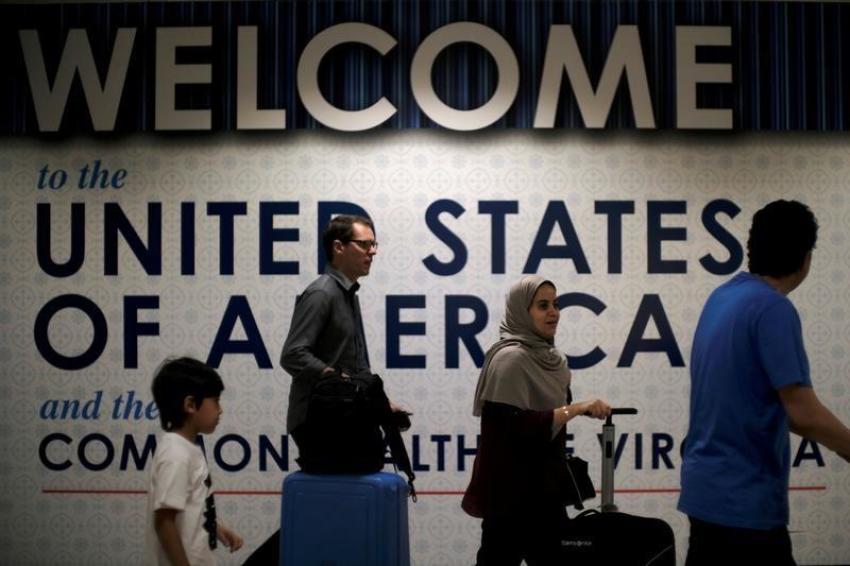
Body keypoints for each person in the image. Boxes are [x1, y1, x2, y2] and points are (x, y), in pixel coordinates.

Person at [679, 200, 850, 566]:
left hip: (704, 494)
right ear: (805, 258)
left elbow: (758, 398)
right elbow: (802, 413)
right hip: (744, 506)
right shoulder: (773, 309)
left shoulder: (722, 297)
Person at [462, 275, 611, 566]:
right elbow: (515, 427)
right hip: (510, 495)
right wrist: (578, 408)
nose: (554, 312)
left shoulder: (552, 359)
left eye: (555, 304)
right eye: (543, 305)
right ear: (521, 310)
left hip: (544, 490)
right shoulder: (511, 359)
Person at [281, 214, 380, 456]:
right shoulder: (322, 293)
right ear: (338, 247)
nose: (373, 252)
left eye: (374, 244)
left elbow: (354, 365)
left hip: (343, 413)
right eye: (365, 244)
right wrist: (333, 377)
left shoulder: (348, 295)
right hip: (321, 419)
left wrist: (379, 401)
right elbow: (292, 354)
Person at [145, 357, 243, 566]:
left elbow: (193, 508)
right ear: (190, 404)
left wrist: (217, 528)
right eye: (215, 400)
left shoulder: (188, 450)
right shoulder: (175, 455)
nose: (220, 409)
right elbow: (164, 521)